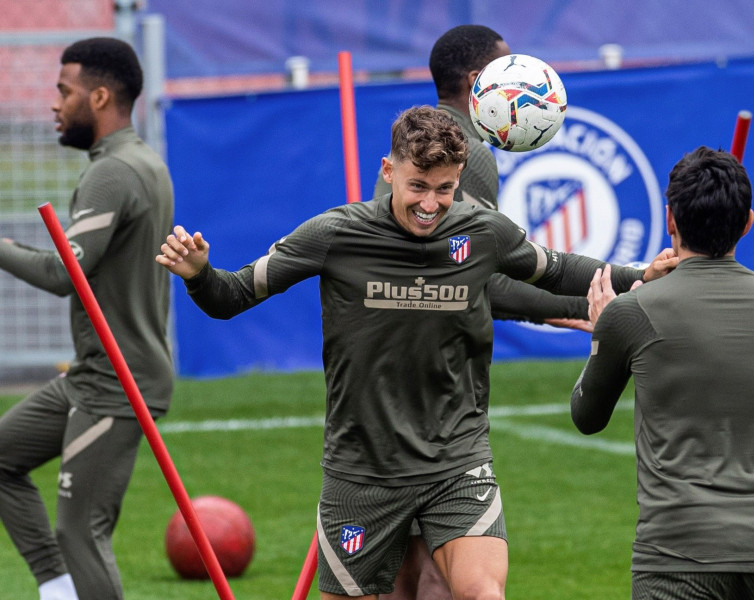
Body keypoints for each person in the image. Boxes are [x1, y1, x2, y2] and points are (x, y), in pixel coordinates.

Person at [156, 106, 677, 599]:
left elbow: (559, 268)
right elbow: (233, 296)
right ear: (388, 170)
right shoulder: (335, 234)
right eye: (418, 187)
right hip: (361, 472)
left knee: (483, 592)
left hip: (457, 461)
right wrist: (200, 274)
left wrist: (639, 277)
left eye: (446, 189)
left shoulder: (483, 232)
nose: (431, 204)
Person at [376, 25, 590, 599]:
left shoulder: (419, 141)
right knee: (441, 573)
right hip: (432, 392)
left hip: (387, 383)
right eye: (508, 66)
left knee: (405, 566)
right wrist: (579, 303)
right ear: (479, 82)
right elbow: (479, 283)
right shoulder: (460, 153)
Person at [571, 147, 754, 599]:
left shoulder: (629, 314)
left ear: (670, 219)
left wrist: (602, 331)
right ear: (747, 222)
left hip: (674, 555)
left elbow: (586, 416)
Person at [0, 38, 174, 600]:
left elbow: (62, 275)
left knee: (81, 531)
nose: (53, 104)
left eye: (63, 91)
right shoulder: (139, 159)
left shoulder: (114, 173)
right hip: (96, 371)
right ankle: (57, 591)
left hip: (119, 382)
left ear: (99, 96)